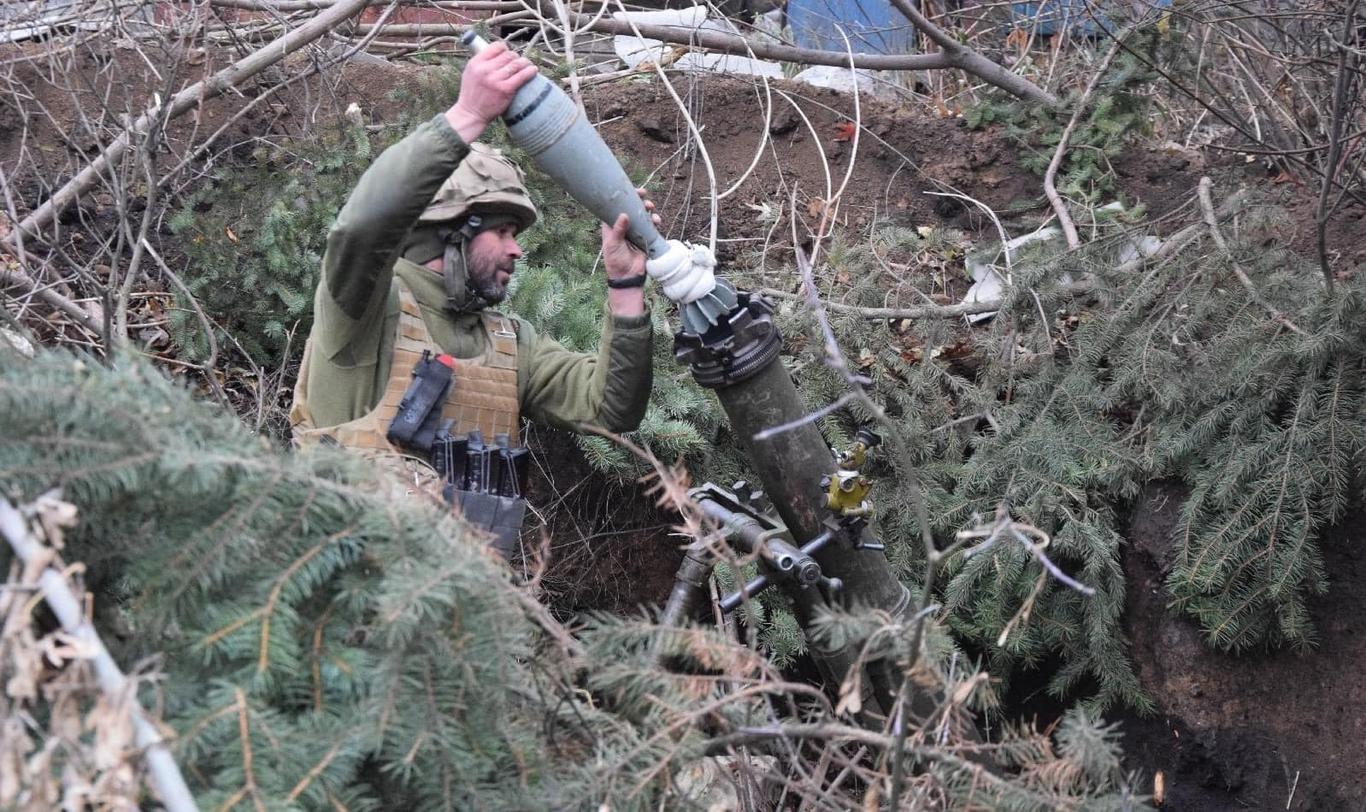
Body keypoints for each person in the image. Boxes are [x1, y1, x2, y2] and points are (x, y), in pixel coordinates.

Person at [290, 42, 656, 551]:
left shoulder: (510, 344)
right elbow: (362, 228)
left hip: (468, 617)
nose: (517, 251)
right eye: (503, 232)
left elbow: (610, 409)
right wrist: (465, 115)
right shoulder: (364, 308)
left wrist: (625, 285)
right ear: (452, 232)